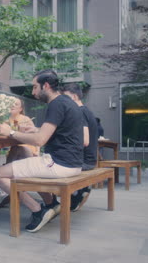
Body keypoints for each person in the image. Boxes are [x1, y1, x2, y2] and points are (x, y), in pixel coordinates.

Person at [0, 69, 85, 233]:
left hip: (60, 164)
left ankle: (37, 210)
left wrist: (11, 133)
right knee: (28, 166)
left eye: (35, 87)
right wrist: (35, 129)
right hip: (72, 162)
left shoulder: (56, 104)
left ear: (46, 85)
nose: (33, 91)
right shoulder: (65, 102)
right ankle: (51, 205)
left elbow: (40, 141)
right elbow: (58, 132)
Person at [0, 97, 39, 208]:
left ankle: (5, 188)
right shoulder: (4, 120)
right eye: (11, 104)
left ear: (21, 109)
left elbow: (35, 137)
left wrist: (37, 152)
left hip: (28, 151)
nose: (12, 105)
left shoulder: (25, 119)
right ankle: (7, 188)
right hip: (14, 151)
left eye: (16, 104)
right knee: (14, 149)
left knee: (17, 148)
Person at [60, 83, 98, 212]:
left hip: (83, 162)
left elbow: (85, 141)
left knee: (51, 165)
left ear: (75, 96)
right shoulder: (87, 111)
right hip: (90, 159)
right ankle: (78, 192)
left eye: (66, 97)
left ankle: (72, 195)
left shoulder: (79, 113)